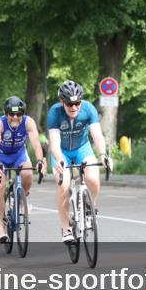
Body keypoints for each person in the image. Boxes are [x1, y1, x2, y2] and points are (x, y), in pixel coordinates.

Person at [47, 81, 110, 244]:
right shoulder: (54, 112)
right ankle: (66, 228)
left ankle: (90, 205)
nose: (74, 107)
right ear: (62, 102)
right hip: (62, 152)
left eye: (77, 103)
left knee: (93, 179)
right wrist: (59, 159)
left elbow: (96, 135)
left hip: (82, 148)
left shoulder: (89, 109)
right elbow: (54, 141)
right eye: (69, 104)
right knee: (63, 185)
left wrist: (103, 154)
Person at [0, 96, 45, 244]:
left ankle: (20, 201)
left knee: (27, 173)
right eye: (11, 114)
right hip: (0, 157)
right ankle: (1, 228)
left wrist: (40, 161)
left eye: (18, 114)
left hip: (19, 154)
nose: (15, 117)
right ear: (5, 113)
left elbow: (36, 144)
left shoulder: (28, 122)